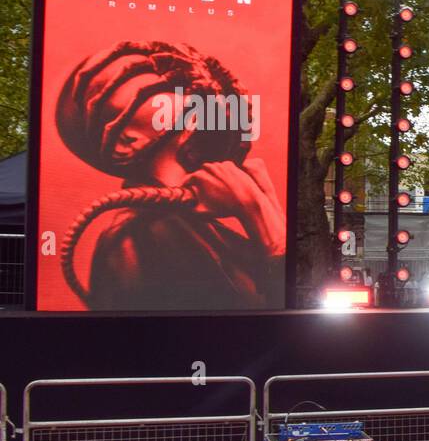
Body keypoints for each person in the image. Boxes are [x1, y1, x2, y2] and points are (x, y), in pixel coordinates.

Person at [55, 40, 285, 309]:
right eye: (149, 90)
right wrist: (258, 214)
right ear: (126, 141)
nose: (182, 85)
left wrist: (268, 206)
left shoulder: (198, 223)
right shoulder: (140, 234)